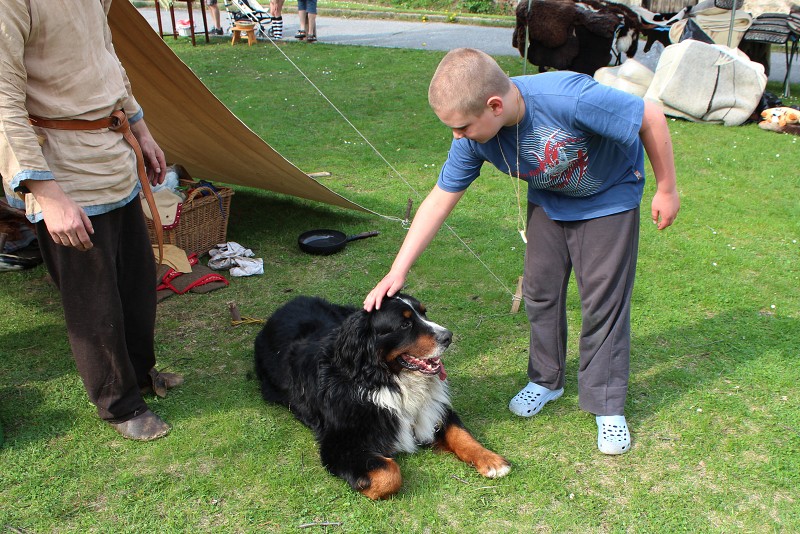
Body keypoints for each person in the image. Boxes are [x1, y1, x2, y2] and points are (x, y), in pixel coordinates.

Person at [364, 48, 680, 455]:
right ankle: (546, 379)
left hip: (609, 199)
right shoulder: (473, 138)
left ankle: (605, 402)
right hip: (550, 201)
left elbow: (649, 116)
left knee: (603, 301)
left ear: (494, 105)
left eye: (462, 126)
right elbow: (440, 197)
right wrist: (398, 269)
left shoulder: (569, 98)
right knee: (540, 293)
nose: (457, 137)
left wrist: (667, 189)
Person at [0, 0, 184, 441]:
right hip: (65, 172)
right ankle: (118, 404)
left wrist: (141, 130)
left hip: (112, 158)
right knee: (94, 302)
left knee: (136, 285)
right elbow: (2, 98)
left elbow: (107, 61)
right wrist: (46, 192)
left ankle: (140, 375)